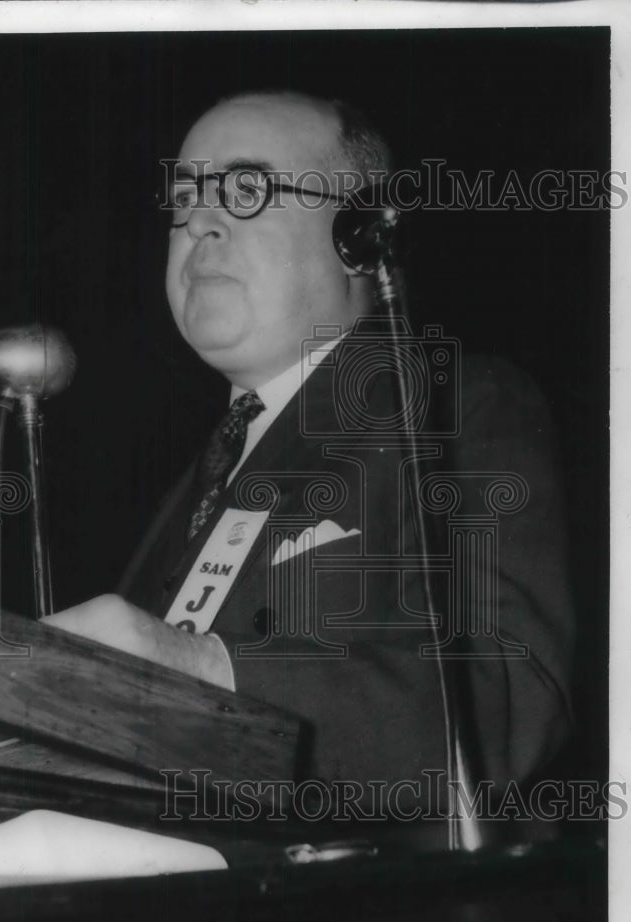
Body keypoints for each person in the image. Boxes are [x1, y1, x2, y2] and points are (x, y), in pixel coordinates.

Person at [44, 91, 573, 809]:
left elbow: (509, 699)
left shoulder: (455, 405)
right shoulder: (195, 479)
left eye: (246, 189)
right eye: (184, 198)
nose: (198, 220)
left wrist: (198, 665)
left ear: (360, 236)